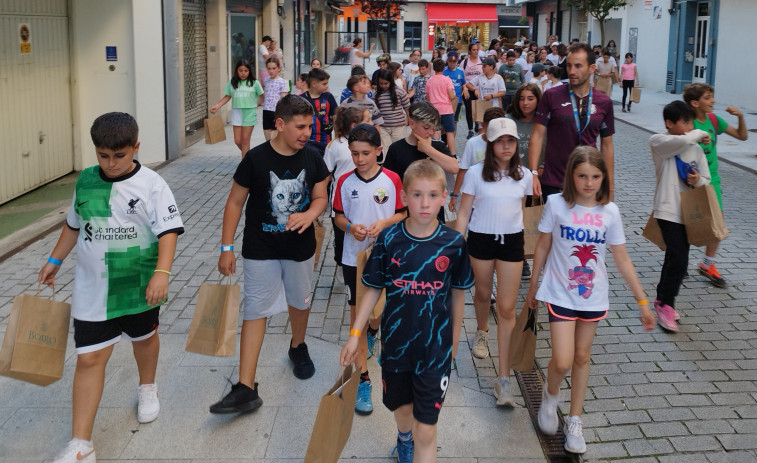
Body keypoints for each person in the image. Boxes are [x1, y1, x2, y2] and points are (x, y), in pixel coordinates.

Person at [39, 112, 184, 463]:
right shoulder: (86, 181)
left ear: (136, 147)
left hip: (138, 284)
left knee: (144, 339)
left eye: (119, 155)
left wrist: (161, 273)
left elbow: (167, 232)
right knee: (89, 359)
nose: (111, 163)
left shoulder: (151, 183)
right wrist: (55, 260)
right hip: (93, 290)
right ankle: (81, 444)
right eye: (103, 155)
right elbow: (74, 225)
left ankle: (147, 387)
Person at [340, 159, 474, 463]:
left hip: (434, 350)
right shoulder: (389, 239)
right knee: (401, 410)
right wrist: (355, 335)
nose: (424, 203)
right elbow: (373, 287)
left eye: (432, 195)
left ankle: (415, 441)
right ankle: (403, 437)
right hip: (397, 346)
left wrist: (453, 341)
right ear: (403, 197)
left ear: (444, 198)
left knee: (426, 431)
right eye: (416, 195)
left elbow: (457, 294)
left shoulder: (454, 244)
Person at [525, 146, 655, 455]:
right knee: (562, 360)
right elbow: (542, 246)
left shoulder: (610, 211)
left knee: (582, 357)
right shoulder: (556, 204)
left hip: (593, 296)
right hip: (558, 291)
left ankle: (574, 420)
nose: (589, 182)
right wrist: (533, 285)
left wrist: (642, 302)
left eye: (596, 176)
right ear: (571, 175)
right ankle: (551, 394)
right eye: (582, 176)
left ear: (604, 177)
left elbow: (622, 259)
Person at [211, 94, 329, 414]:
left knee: (299, 301)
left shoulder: (313, 158)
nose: (307, 133)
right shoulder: (255, 159)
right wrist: (226, 247)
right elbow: (234, 203)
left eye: (310, 126)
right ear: (279, 124)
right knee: (255, 309)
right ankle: (247, 386)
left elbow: (321, 196)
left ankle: (297, 346)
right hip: (259, 249)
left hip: (300, 250)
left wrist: (309, 214)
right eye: (300, 126)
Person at [454, 118, 531, 407]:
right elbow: (463, 213)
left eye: (511, 140)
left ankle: (504, 379)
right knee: (483, 293)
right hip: (481, 239)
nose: (506, 145)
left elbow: (521, 211)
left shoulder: (524, 175)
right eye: (500, 140)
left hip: (512, 241)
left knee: (508, 306)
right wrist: (455, 242)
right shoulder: (475, 173)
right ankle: (482, 331)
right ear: (490, 144)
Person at [333, 123, 406, 415]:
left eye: (365, 153)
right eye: (354, 154)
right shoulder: (344, 182)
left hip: (389, 258)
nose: (360, 159)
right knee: (357, 321)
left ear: (379, 151)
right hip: (355, 259)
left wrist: (384, 224)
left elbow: (403, 213)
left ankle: (375, 332)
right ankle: (362, 378)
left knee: (381, 313)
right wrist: (351, 227)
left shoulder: (392, 179)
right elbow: (338, 217)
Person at [649, 101, 712, 332]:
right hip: (667, 210)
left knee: (676, 259)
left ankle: (662, 300)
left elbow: (707, 179)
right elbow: (685, 139)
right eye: (684, 121)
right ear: (669, 123)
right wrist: (701, 132)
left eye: (691, 122)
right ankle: (666, 303)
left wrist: (698, 181)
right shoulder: (659, 142)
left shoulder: (695, 149)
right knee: (678, 259)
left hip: (688, 212)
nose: (689, 126)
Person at [529, 43, 615, 201]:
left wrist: (609, 186)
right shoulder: (551, 96)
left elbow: (607, 145)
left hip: (588, 184)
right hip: (554, 182)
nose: (572, 71)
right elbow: (537, 135)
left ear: (591, 68)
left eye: (578, 66)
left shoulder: (604, 102)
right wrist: (533, 173)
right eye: (569, 66)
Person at [683, 83, 748, 288]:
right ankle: (679, 261)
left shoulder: (713, 119)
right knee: (686, 222)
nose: (713, 100)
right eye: (708, 97)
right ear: (695, 103)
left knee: (717, 223)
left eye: (712, 96)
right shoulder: (686, 123)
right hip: (690, 181)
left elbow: (742, 136)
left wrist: (740, 117)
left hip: (712, 181)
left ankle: (707, 264)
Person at [383, 101, 459, 223]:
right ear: (412, 123)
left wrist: (428, 150)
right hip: (405, 215)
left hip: (434, 217)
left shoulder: (438, 147)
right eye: (426, 128)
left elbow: (454, 167)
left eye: (434, 129)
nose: (431, 133)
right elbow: (389, 184)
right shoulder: (396, 149)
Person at [324, 107, 372, 275]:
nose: (371, 123)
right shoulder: (335, 146)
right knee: (341, 235)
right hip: (341, 202)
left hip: (364, 199)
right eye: (367, 121)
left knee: (363, 230)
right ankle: (341, 264)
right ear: (354, 126)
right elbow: (326, 176)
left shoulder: (370, 144)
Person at [449, 106, 506, 215]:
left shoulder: (506, 145)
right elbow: (463, 170)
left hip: (498, 199)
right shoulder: (473, 143)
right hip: (476, 199)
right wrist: (454, 195)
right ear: (483, 125)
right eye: (490, 128)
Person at [210, 59, 264, 157]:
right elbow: (227, 96)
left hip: (249, 112)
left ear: (249, 71)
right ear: (236, 71)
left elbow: (262, 95)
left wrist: (265, 104)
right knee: (237, 140)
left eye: (246, 71)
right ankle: (250, 157)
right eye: (240, 70)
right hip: (236, 112)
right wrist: (216, 106)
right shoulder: (232, 83)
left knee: (245, 142)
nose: (243, 73)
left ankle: (245, 167)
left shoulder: (255, 83)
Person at [300, 68, 338, 157]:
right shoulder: (302, 99)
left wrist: (337, 138)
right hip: (307, 142)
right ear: (314, 84)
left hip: (325, 141)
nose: (327, 86)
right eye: (324, 84)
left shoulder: (328, 97)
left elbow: (336, 117)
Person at [373, 69, 411, 156]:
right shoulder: (376, 95)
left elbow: (407, 107)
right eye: (381, 83)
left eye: (386, 83)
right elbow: (374, 113)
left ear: (391, 81)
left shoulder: (400, 92)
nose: (383, 86)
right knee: (385, 151)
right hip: (383, 128)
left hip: (399, 127)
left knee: (399, 151)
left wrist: (409, 120)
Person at [426, 58, 457, 156]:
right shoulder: (447, 80)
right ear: (444, 68)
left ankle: (434, 154)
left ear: (433, 68)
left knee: (435, 132)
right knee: (450, 133)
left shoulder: (429, 81)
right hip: (447, 109)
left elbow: (428, 98)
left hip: (434, 110)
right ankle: (453, 155)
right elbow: (451, 96)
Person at [262, 57, 290, 141]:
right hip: (266, 111)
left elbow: (284, 98)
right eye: (269, 69)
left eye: (274, 68)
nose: (271, 71)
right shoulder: (266, 80)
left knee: (275, 139)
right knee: (267, 139)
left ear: (279, 68)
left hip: (276, 112)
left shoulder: (283, 82)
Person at [460, 42, 484, 138]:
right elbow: (462, 77)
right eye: (473, 50)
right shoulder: (464, 62)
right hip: (468, 89)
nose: (475, 51)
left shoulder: (482, 61)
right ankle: (470, 129)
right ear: (469, 51)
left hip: (480, 90)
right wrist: (466, 88)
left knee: (478, 109)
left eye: (477, 50)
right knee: (469, 110)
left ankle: (478, 126)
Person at [443, 51, 466, 130]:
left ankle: (451, 140)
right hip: (446, 100)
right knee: (445, 121)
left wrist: (465, 89)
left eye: (454, 61)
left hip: (457, 100)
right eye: (450, 61)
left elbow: (463, 83)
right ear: (447, 60)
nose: (452, 63)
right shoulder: (443, 72)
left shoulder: (460, 72)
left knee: (454, 122)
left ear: (457, 61)